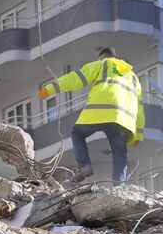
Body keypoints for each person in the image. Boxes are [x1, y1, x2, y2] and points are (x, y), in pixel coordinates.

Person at [37, 47, 144, 185]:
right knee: (120, 153)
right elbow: (140, 107)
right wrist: (139, 134)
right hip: (123, 120)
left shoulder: (102, 64)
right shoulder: (133, 77)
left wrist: (52, 87)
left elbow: (76, 78)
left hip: (99, 112)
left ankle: (85, 167)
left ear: (103, 57)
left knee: (77, 133)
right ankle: (119, 186)